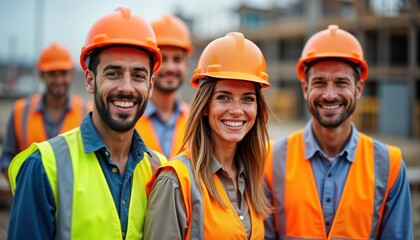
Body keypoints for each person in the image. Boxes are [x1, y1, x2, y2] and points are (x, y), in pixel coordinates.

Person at [8, 7, 167, 239]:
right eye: (113, 73)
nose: (126, 87)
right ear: (90, 81)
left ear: (151, 86)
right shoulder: (43, 167)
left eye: (138, 75)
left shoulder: (159, 169)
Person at [264, 25, 413, 239]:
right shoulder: (271, 158)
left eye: (341, 82)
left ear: (358, 88)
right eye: (320, 82)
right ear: (305, 89)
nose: (330, 94)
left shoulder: (390, 165)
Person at [144, 32, 272, 239]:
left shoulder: (251, 175)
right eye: (224, 97)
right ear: (205, 106)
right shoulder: (176, 181)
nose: (237, 110)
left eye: (248, 99)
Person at [0, 42, 93, 175]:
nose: (59, 80)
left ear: (71, 74)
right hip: (30, 193)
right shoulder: (21, 111)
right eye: (52, 74)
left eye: (63, 73)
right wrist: (22, 188)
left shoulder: (88, 111)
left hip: (73, 194)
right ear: (42, 75)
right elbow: (7, 160)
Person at [135, 14, 193, 158]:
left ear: (186, 65)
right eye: (163, 59)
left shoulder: (195, 120)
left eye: (177, 59)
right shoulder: (127, 116)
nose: (170, 67)